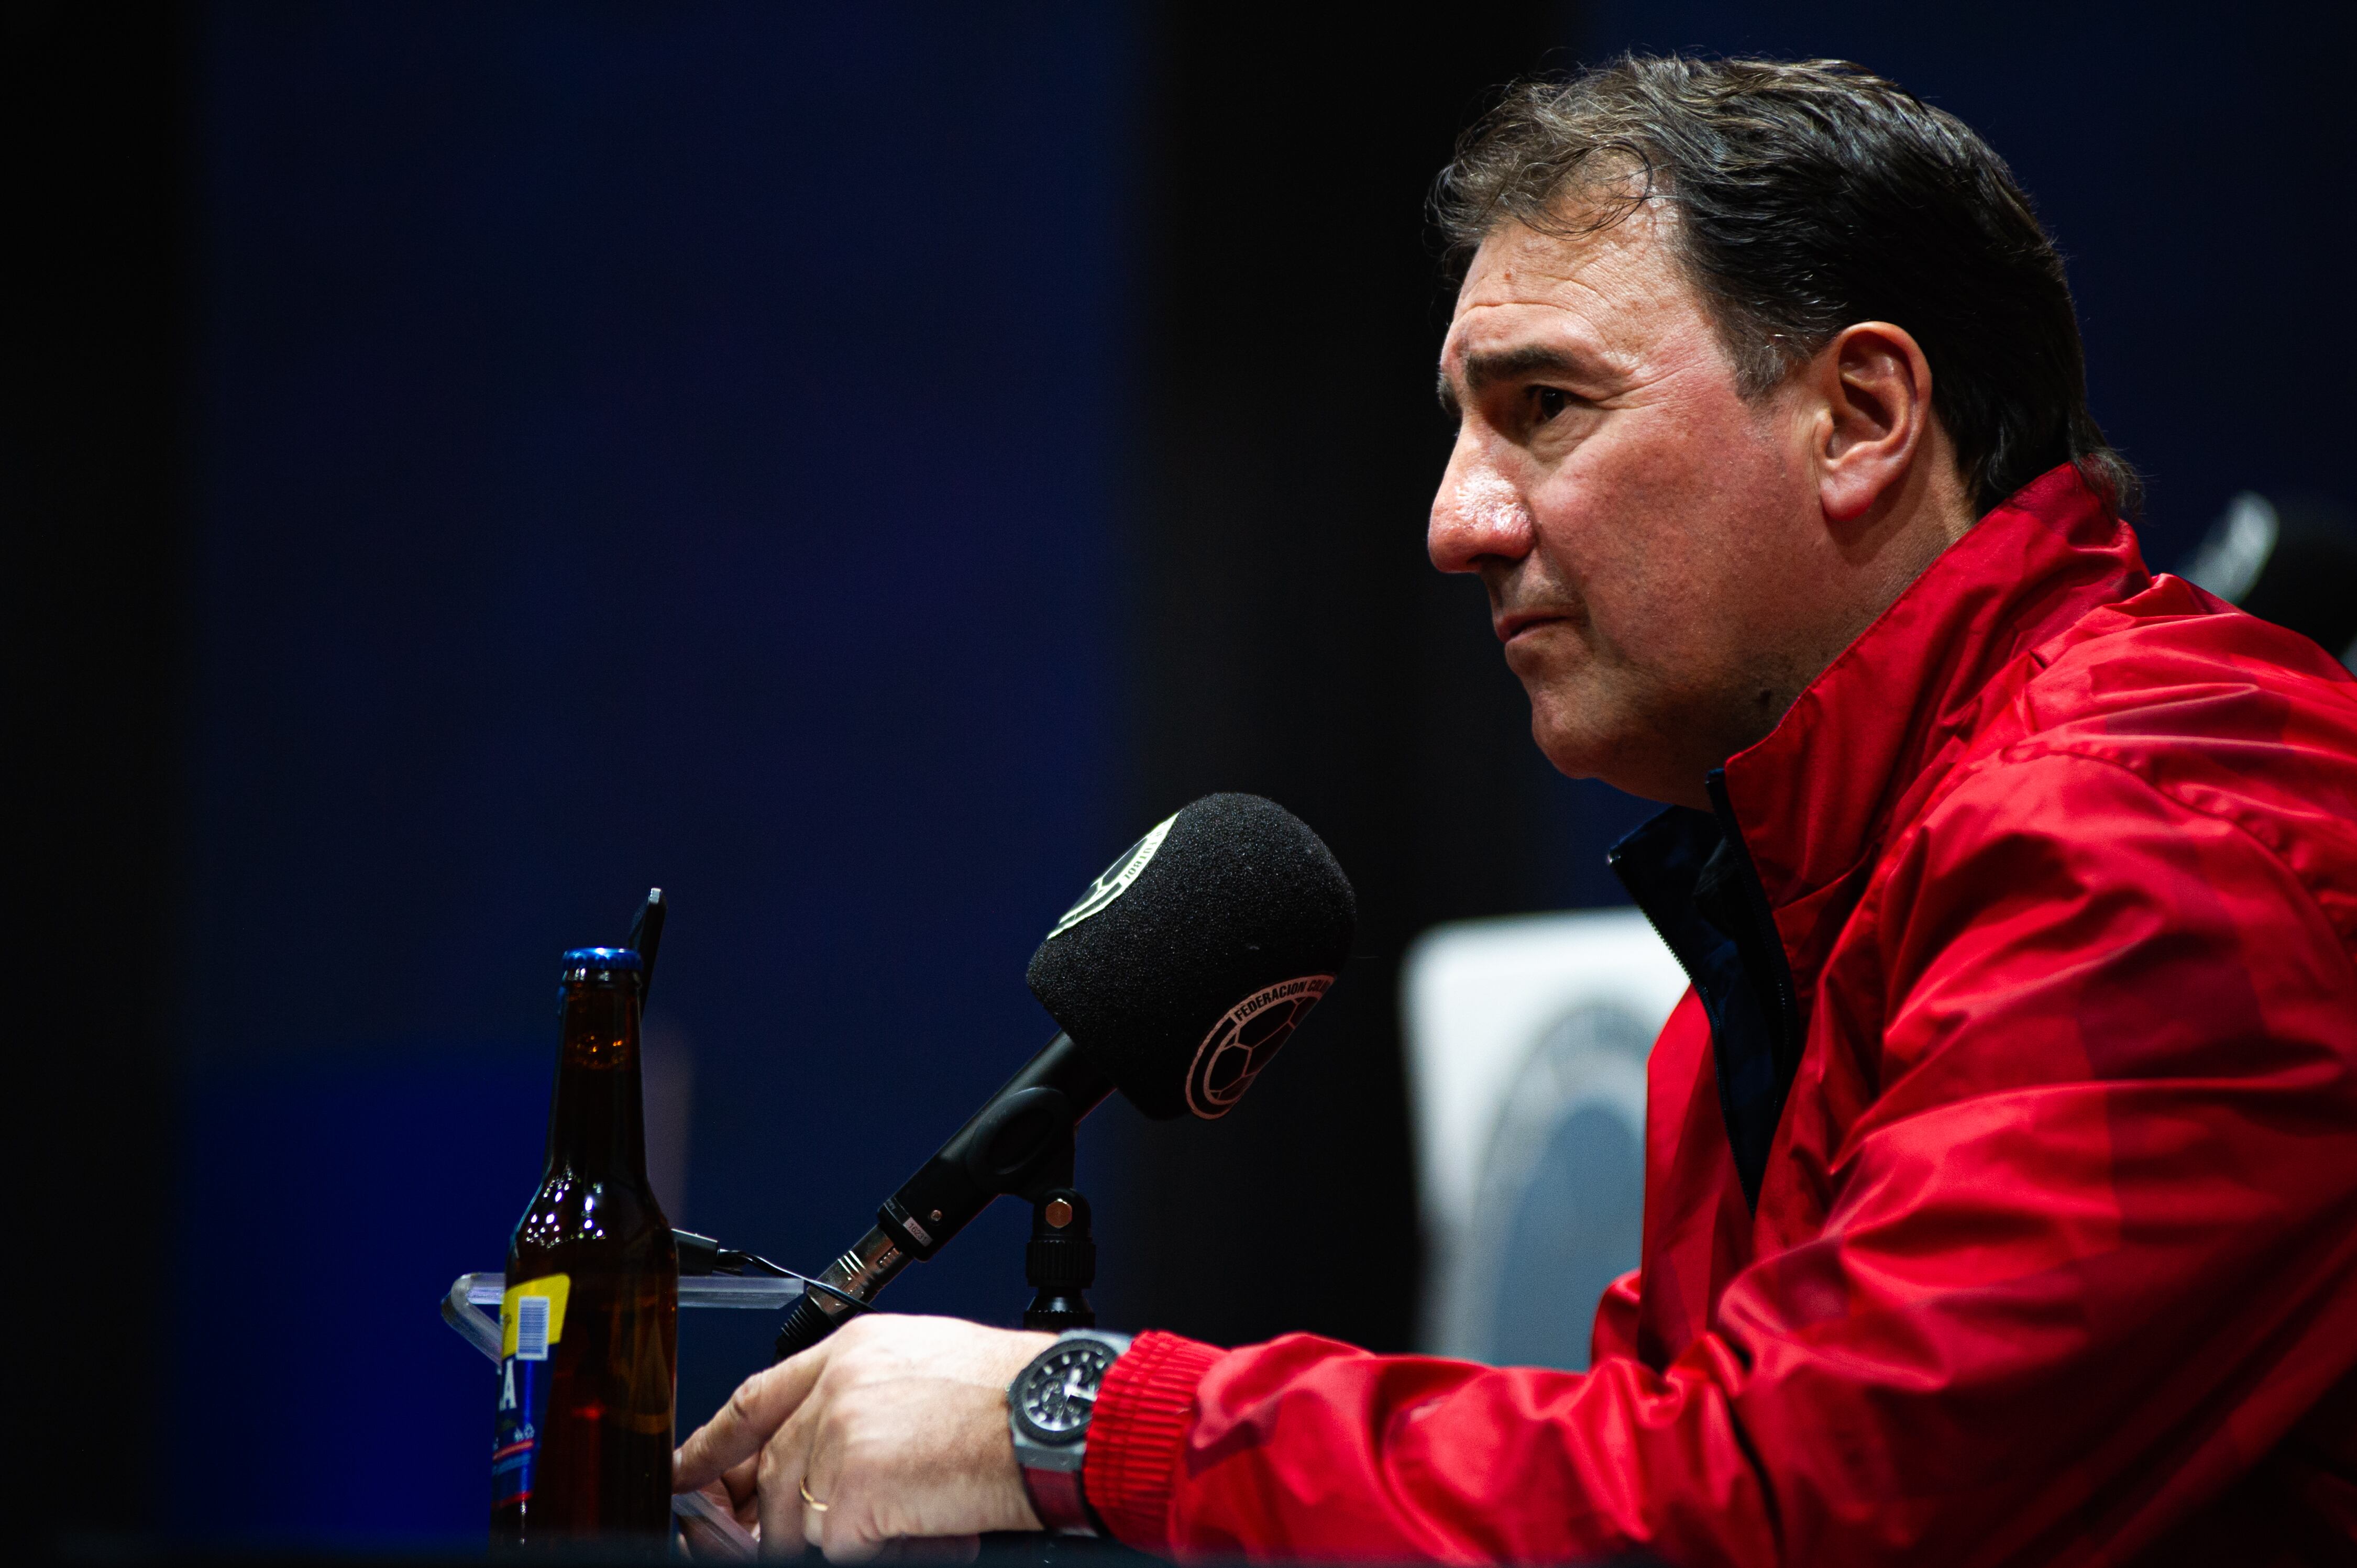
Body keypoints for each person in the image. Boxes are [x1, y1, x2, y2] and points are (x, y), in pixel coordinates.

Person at [674, 56, 2357, 1564]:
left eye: (1543, 408)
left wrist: (1067, 1418)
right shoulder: (1797, 902)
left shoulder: (2155, 829)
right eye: (1458, 427)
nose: (1455, 522)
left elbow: (1798, 1511)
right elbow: (1645, 1487)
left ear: (1858, 417)